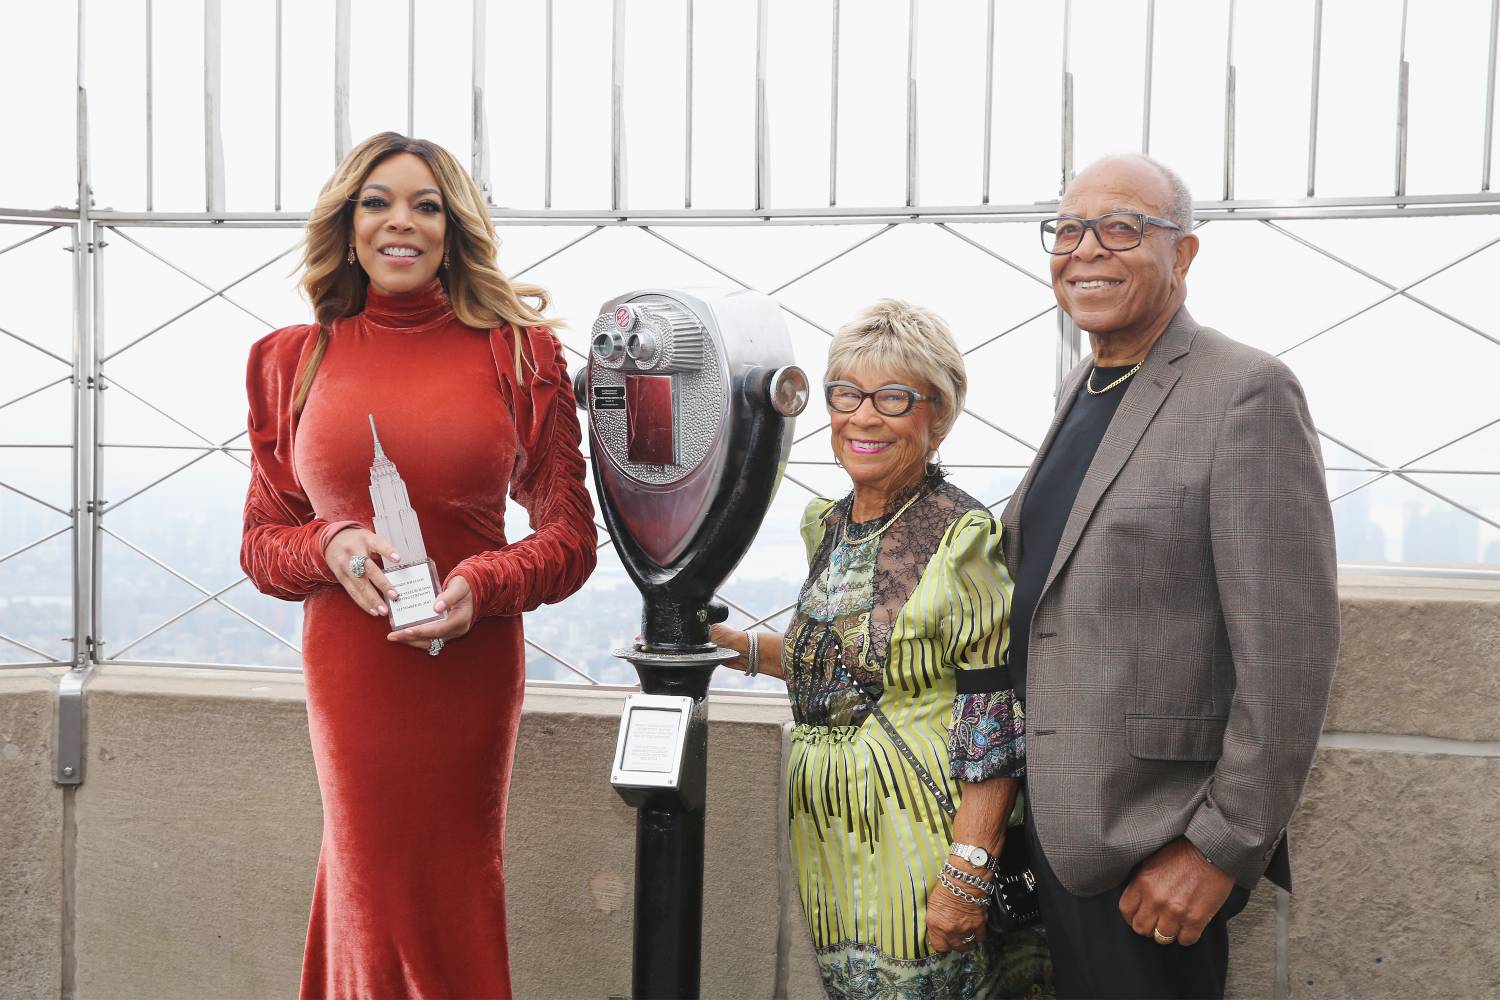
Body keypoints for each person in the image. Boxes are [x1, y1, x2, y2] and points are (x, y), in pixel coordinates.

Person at [239, 132, 596, 999]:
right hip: (352, 674)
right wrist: (330, 544)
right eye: (377, 202)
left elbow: (569, 538)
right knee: (365, 886)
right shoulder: (292, 357)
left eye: (426, 205)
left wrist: (483, 583)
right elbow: (261, 545)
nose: (401, 222)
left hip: (467, 671)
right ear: (349, 223)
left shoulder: (521, 353)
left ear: (454, 227)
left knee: (450, 895)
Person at [1001, 153, 1339, 999]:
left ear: (1183, 255)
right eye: (1069, 230)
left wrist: (1220, 850)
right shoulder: (1089, 382)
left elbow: (1290, 656)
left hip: (1156, 852)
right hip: (1059, 835)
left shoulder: (1245, 393)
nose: (1087, 251)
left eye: (1122, 229)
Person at [713, 301, 1052, 998]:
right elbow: (841, 660)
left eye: (893, 397)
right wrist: (739, 648)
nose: (863, 417)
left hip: (917, 837)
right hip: (831, 839)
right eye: (847, 394)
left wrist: (967, 870)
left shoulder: (962, 538)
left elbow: (992, 718)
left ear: (938, 414)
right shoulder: (830, 525)